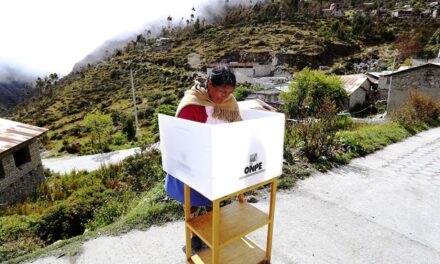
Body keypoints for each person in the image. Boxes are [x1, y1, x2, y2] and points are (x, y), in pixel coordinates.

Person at [164, 65, 241, 252]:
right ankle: (193, 236)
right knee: (191, 203)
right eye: (221, 91)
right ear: (209, 84)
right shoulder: (192, 104)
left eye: (229, 92)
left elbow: (238, 128)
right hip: (192, 164)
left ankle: (209, 234)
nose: (225, 96)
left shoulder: (230, 104)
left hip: (215, 163)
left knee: (212, 201)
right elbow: (181, 136)